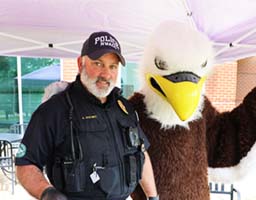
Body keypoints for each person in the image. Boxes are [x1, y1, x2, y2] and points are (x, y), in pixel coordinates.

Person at [15, 31, 159, 200]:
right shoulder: (54, 110)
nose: (106, 74)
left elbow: (140, 153)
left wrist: (153, 197)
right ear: (80, 63)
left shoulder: (124, 109)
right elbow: (25, 164)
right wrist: (47, 193)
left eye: (112, 66)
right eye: (98, 64)